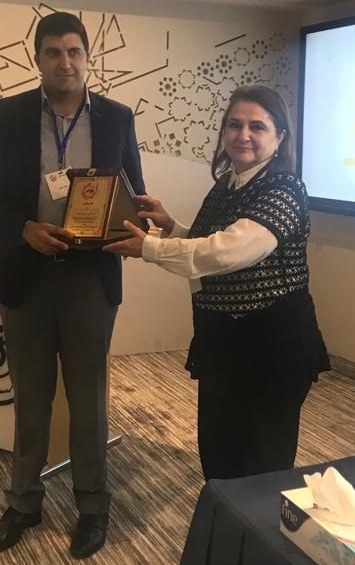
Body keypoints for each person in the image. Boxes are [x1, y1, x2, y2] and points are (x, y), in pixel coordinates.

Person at [0, 11, 144, 557]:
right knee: (31, 395)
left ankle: (93, 505)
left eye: (74, 52)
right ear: (38, 59)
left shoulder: (117, 118)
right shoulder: (7, 115)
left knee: (88, 396)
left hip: (90, 278)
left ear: (88, 58)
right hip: (28, 273)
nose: (64, 62)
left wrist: (135, 223)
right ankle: (24, 502)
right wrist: (25, 229)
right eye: (53, 52)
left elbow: (133, 191)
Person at [106, 85, 329, 480]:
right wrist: (169, 225)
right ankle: (222, 517)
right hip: (223, 340)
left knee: (260, 463)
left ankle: (251, 522)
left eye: (257, 127)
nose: (244, 135)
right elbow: (208, 240)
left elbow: (229, 252)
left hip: (271, 346)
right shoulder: (227, 184)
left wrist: (150, 248)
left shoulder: (285, 189)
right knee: (218, 450)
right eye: (234, 125)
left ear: (280, 137)